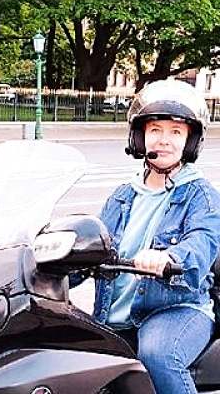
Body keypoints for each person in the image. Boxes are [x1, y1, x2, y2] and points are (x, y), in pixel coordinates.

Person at [89, 79, 220, 394]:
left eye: (176, 132)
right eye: (155, 129)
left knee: (159, 355)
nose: (164, 140)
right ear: (139, 136)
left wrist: (169, 258)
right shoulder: (122, 196)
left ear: (190, 142)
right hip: (113, 314)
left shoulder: (201, 196)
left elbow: (202, 244)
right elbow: (95, 243)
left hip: (178, 309)